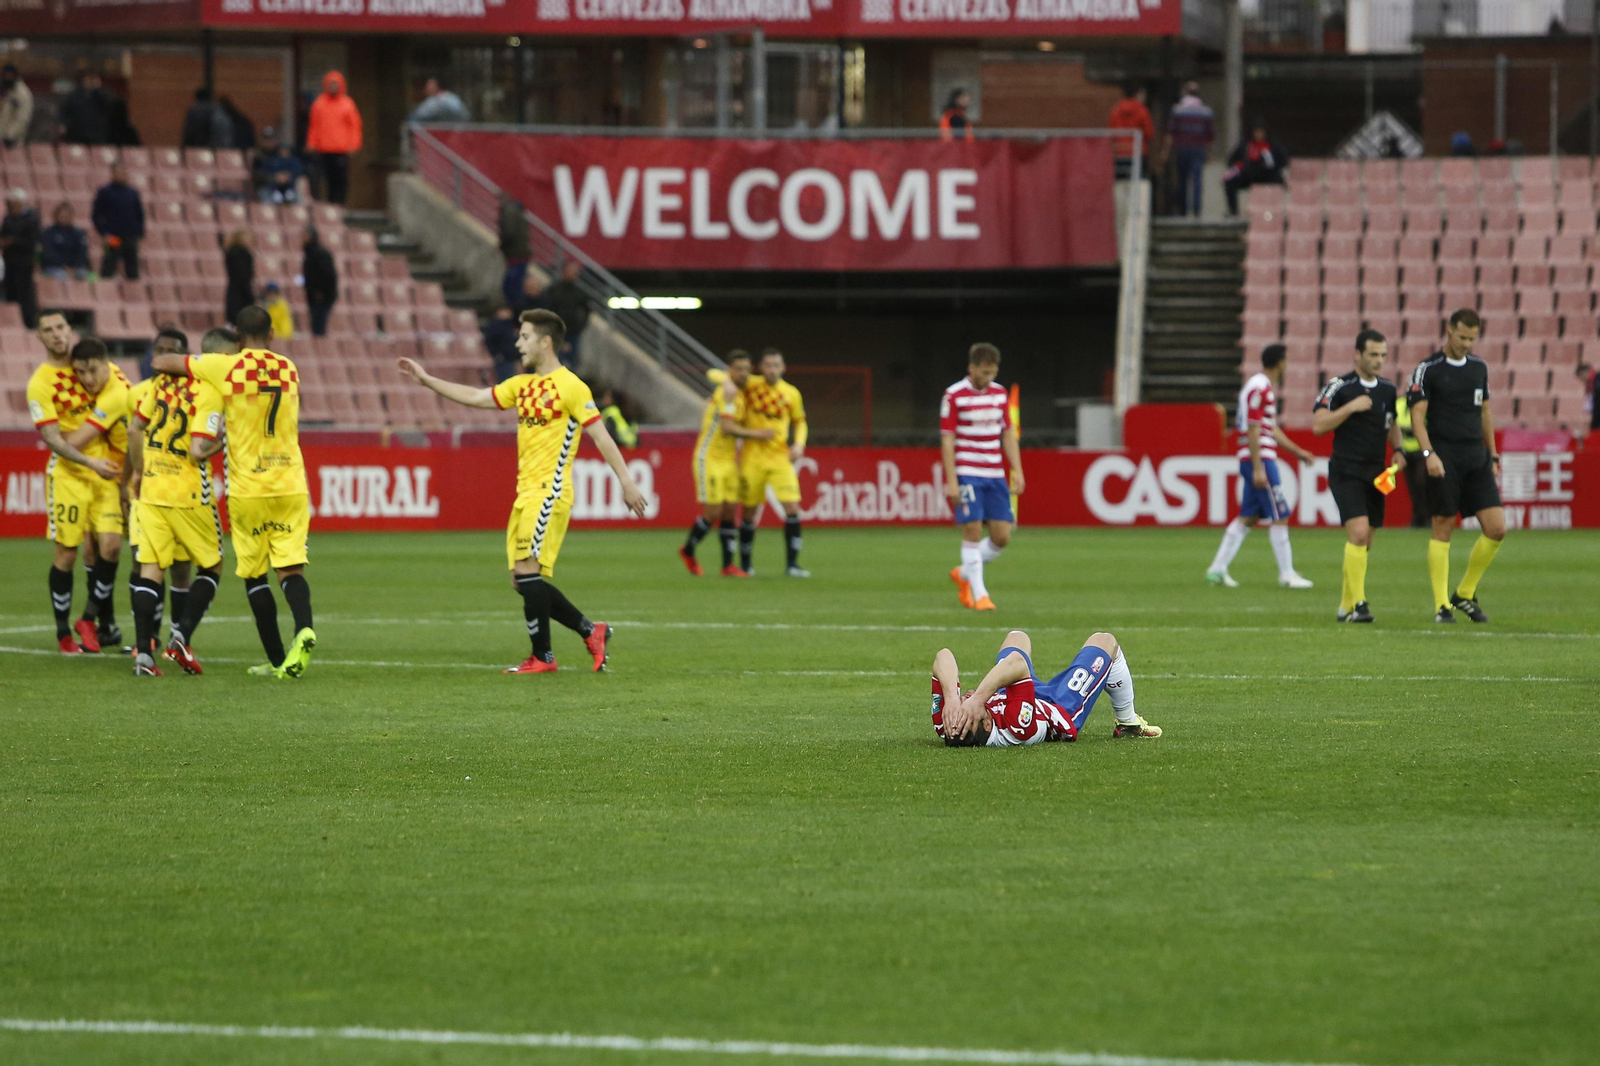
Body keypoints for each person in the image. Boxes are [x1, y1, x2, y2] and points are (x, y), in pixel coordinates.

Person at [396, 308, 648, 675]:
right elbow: (475, 396)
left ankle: (543, 657)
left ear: (545, 342)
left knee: (528, 573)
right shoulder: (523, 385)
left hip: (549, 491)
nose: (518, 344)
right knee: (522, 580)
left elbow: (601, 436)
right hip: (526, 493)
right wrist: (427, 380)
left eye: (525, 337)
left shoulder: (572, 387)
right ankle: (590, 630)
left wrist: (626, 481)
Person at [151, 305, 317, 678]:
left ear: (238, 337)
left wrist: (197, 365)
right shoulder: (289, 367)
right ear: (272, 334)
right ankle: (304, 628)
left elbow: (162, 363)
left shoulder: (223, 366)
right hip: (290, 482)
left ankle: (278, 660)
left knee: (255, 577)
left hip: (248, 488)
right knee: (291, 569)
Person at [125, 341, 227, 677]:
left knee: (150, 570)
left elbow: (134, 428)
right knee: (212, 565)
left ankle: (144, 655)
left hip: (152, 487)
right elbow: (198, 450)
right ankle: (181, 636)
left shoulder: (161, 384)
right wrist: (225, 440)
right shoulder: (210, 391)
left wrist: (138, 471)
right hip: (188, 492)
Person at [26, 311, 123, 654]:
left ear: (70, 330)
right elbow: (53, 440)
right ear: (40, 337)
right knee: (67, 553)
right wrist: (90, 461)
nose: (56, 334)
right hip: (69, 475)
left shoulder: (92, 365)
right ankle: (63, 633)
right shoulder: (40, 383)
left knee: (111, 546)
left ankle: (91, 620)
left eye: (60, 327)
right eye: (48, 330)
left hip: (106, 472)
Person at [1407, 309, 1504, 624]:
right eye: (1462, 337)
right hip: (1444, 456)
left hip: (1476, 456)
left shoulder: (1478, 368)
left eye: (1472, 338)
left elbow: (1485, 412)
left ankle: (1464, 593)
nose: (1466, 344)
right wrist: (1428, 454)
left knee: (1497, 528)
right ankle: (1441, 605)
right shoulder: (1428, 369)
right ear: (1449, 330)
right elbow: (1417, 416)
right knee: (1443, 524)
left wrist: (1493, 455)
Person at [1312, 330, 1408, 623]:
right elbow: (1318, 425)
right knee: (1358, 533)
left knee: (1365, 542)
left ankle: (1345, 607)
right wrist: (1350, 408)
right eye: (1373, 355)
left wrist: (1398, 449)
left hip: (1376, 473)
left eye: (1383, 355)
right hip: (1346, 470)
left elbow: (1390, 423)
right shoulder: (1338, 387)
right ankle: (1360, 604)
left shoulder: (1388, 390)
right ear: (1357, 355)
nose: (1379, 360)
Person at [931, 629, 1162, 747]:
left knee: (1017, 637)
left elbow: (943, 656)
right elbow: (1017, 664)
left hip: (1016, 695)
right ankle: (1128, 722)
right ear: (988, 724)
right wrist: (978, 699)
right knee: (1105, 641)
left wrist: (951, 698)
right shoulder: (1016, 727)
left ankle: (1128, 723)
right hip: (1059, 706)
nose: (966, 698)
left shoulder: (947, 725)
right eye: (969, 708)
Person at [1205, 344, 1317, 589]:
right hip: (1260, 459)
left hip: (1256, 457)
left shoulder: (1259, 386)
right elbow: (1254, 428)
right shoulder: (1260, 388)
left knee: (1249, 516)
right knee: (1280, 514)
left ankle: (1217, 569)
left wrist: (1297, 452)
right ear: (1280, 363)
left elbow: (1269, 428)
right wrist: (1258, 467)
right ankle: (1287, 574)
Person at [58, 338, 132, 652]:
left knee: (127, 551)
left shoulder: (115, 395)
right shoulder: (107, 376)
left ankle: (92, 618)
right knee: (92, 549)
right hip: (112, 473)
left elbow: (73, 442)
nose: (87, 379)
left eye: (92, 371)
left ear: (106, 364)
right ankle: (107, 625)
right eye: (81, 372)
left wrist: (52, 431)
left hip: (133, 477)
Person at [942, 343, 1023, 611]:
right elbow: (947, 440)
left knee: (1002, 536)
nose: (989, 378)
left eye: (993, 373)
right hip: (968, 472)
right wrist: (952, 480)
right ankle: (980, 594)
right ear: (972, 368)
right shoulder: (954, 395)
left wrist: (1017, 470)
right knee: (973, 529)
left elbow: (1007, 434)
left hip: (995, 473)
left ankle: (963, 573)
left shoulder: (999, 394)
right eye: (985, 372)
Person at [680, 351, 773, 578]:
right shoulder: (727, 393)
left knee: (730, 511)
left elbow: (714, 374)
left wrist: (724, 379)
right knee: (713, 512)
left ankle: (728, 565)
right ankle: (688, 550)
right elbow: (727, 428)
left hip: (729, 460)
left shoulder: (739, 392)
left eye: (747, 369)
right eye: (738, 369)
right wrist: (760, 434)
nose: (744, 373)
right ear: (730, 370)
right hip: (709, 458)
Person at [730, 348, 809, 577]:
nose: (772, 369)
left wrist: (799, 444)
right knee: (749, 512)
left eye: (776, 365)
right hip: (752, 458)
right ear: (761, 368)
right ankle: (746, 566)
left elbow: (800, 422)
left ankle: (792, 565)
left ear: (783, 368)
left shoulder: (791, 393)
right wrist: (726, 383)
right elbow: (717, 375)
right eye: (767, 365)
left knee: (792, 508)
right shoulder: (751, 385)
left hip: (780, 459)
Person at [306, 71, 362, 206]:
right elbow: (314, 126)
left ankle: (340, 204)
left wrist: (354, 145)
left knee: (340, 179)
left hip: (341, 150)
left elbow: (355, 126)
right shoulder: (319, 104)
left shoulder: (347, 104)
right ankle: (327, 205)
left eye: (336, 84)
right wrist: (311, 143)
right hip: (323, 149)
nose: (333, 87)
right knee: (324, 179)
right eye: (330, 84)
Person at [1166, 81, 1215, 217]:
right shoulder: (1206, 112)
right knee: (1197, 180)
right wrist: (1208, 153)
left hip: (1181, 149)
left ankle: (1183, 211)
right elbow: (1209, 136)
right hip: (1198, 150)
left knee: (1182, 180)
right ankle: (1197, 211)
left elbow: (1171, 133)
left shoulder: (1177, 110)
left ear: (1185, 93)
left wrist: (1166, 152)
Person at [1223, 121, 1288, 217]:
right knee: (1230, 182)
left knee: (1277, 182)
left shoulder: (1272, 145)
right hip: (1249, 175)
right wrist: (1240, 165)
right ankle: (1233, 211)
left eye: (1261, 132)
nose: (1259, 135)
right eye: (1256, 132)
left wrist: (1269, 160)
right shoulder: (1245, 145)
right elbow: (1231, 160)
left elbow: (1283, 161)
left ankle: (1274, 212)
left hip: (1267, 176)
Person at [92, 162, 144, 280]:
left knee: (132, 270)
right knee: (109, 267)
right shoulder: (105, 192)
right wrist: (103, 233)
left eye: (122, 172)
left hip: (130, 237)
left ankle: (133, 291)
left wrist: (139, 234)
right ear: (112, 174)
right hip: (113, 237)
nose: (119, 175)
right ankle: (105, 290)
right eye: (117, 172)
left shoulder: (133, 193)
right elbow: (96, 215)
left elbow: (140, 215)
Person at [1, 187, 40, 328]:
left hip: (24, 262)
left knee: (25, 294)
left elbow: (31, 241)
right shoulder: (8, 218)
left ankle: (29, 322)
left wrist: (13, 241)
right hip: (10, 261)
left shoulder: (32, 219)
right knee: (11, 292)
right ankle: (11, 321)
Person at [539, 261, 591, 367]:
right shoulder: (553, 290)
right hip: (555, 333)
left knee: (570, 363)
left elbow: (587, 310)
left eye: (575, 272)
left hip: (572, 333)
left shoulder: (579, 292)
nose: (573, 275)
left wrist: (580, 326)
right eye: (571, 271)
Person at [1107, 83, 1154, 180]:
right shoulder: (1142, 111)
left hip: (1119, 153)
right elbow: (1149, 133)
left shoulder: (1115, 111)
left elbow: (1110, 133)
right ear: (1138, 94)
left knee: (1120, 182)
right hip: (1138, 153)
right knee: (1138, 182)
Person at [39, 202, 91, 280]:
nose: (64, 219)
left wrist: (74, 267)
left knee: (82, 275)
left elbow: (82, 252)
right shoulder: (48, 232)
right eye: (61, 216)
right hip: (54, 266)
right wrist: (63, 266)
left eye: (67, 216)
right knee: (62, 276)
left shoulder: (78, 233)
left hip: (75, 267)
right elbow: (48, 252)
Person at [57, 72, 111, 145]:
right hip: (77, 133)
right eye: (88, 78)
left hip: (97, 134)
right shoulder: (74, 95)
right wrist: (63, 124)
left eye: (93, 79)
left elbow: (108, 106)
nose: (90, 81)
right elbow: (65, 111)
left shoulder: (103, 94)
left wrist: (97, 89)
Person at [301, 227, 338, 337]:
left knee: (319, 327)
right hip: (314, 296)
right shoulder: (309, 253)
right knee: (316, 326)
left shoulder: (320, 254)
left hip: (322, 297)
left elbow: (328, 275)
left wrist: (320, 291)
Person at [257, 139, 307, 205]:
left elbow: (299, 172)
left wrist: (289, 176)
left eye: (286, 149)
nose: (284, 151)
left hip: (291, 187)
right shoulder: (272, 161)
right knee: (265, 193)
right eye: (282, 149)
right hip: (273, 186)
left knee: (301, 185)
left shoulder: (295, 161)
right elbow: (265, 172)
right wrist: (276, 176)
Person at [482, 304, 521, 381]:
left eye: (508, 311)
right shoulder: (494, 326)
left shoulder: (511, 325)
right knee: (506, 380)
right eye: (504, 311)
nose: (507, 313)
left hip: (514, 357)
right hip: (503, 359)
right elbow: (489, 341)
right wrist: (497, 354)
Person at [224, 229, 255, 324]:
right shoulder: (241, 254)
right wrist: (250, 296)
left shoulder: (231, 252)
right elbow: (242, 275)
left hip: (235, 291)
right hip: (241, 292)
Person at [0, 64, 34, 148]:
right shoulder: (7, 90)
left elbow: (23, 117)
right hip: (2, 137)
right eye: (5, 75)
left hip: (13, 140)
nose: (7, 78)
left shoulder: (22, 94)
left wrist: (11, 135)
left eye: (10, 75)